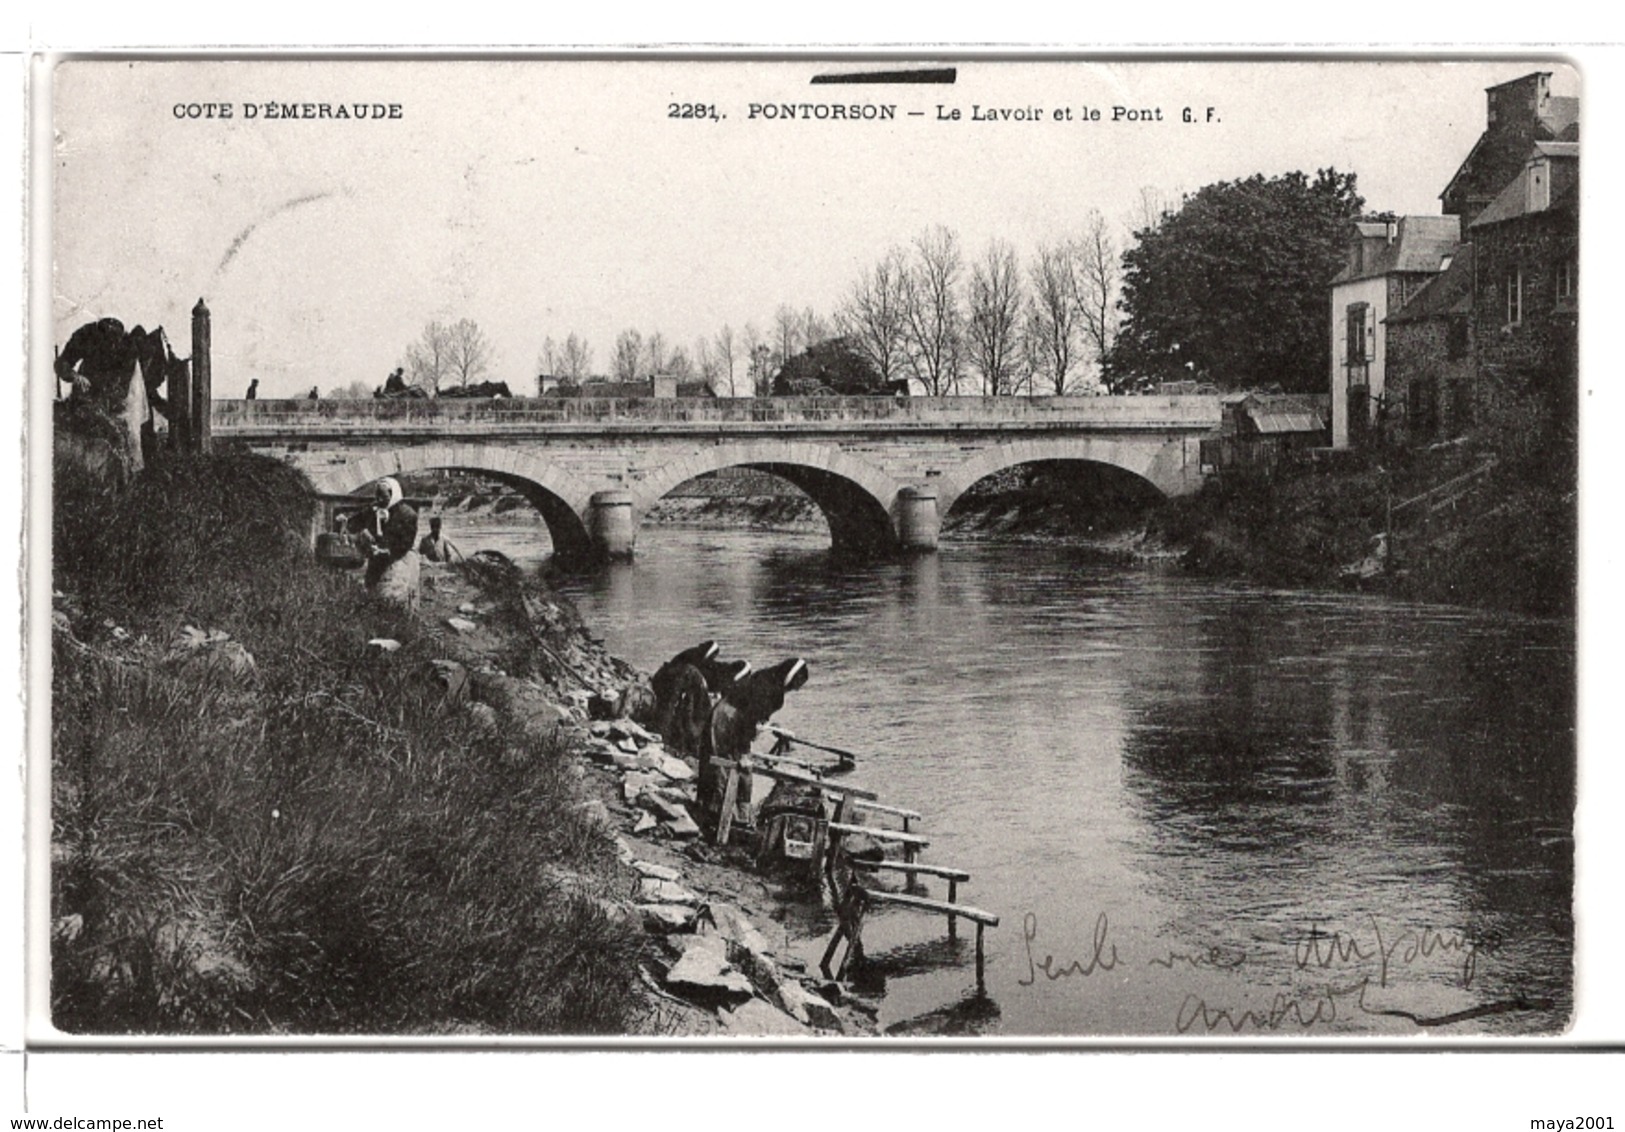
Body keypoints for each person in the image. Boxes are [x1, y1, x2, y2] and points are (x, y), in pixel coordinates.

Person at [350, 476, 419, 592]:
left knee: (395, 590)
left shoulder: (407, 514)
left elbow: (406, 542)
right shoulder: (374, 509)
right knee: (371, 589)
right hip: (377, 558)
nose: (380, 499)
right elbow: (354, 523)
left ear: (393, 495)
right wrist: (354, 526)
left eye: (384, 496)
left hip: (400, 559)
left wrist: (389, 551)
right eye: (377, 496)